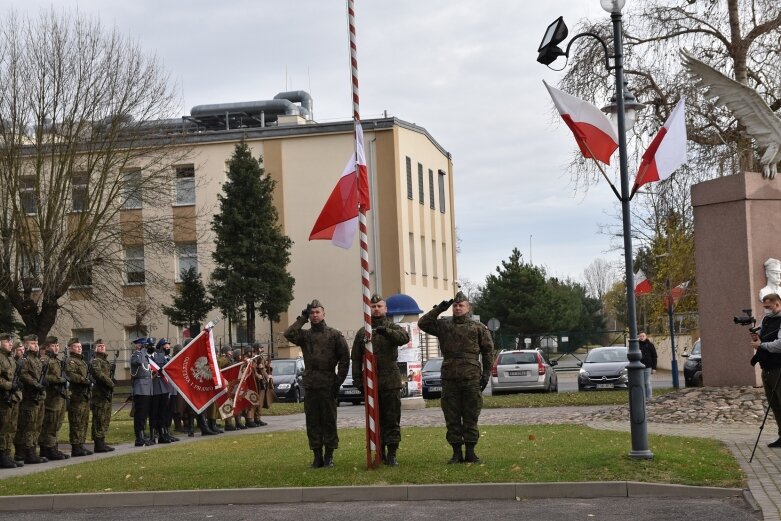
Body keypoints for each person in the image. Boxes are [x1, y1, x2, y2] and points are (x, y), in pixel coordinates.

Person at [418, 291, 494, 464]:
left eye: (461, 305)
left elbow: (488, 352)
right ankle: (456, 452)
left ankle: (471, 451)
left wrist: (486, 375)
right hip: (450, 378)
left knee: (470, 415)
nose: (457, 308)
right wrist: (439, 309)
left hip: (471, 377)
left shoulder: (478, 327)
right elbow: (423, 323)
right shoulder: (444, 325)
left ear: (468, 308)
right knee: (451, 417)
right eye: (455, 306)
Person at [284, 299, 349, 468]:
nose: (314, 315)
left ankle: (329, 456)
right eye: (312, 313)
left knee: (328, 420)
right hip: (311, 384)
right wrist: (302, 318)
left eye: (317, 312)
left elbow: (344, 359)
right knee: (312, 422)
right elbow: (289, 334)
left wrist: (338, 381)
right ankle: (317, 455)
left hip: (328, 383)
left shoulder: (334, 335)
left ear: (324, 314)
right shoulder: (305, 335)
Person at [351, 294, 410, 466]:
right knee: (375, 419)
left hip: (390, 380)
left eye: (379, 306)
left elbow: (404, 338)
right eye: (373, 306)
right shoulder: (363, 332)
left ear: (386, 309)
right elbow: (355, 358)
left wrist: (387, 332)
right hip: (371, 381)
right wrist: (357, 380)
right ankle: (379, 450)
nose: (376, 309)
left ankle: (392, 453)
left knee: (391, 418)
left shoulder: (393, 327)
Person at [751, 293, 781, 447]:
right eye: (764, 307)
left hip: (779, 367)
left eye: (769, 307)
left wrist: (761, 345)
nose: (767, 310)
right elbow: (762, 338)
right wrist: (756, 337)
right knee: (774, 404)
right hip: (767, 367)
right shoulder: (767, 320)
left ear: (777, 304)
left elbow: (779, 345)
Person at [14, 334, 48, 464]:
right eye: (33, 344)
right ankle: (28, 453)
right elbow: (23, 375)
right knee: (29, 426)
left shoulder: (37, 359)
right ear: (27, 345)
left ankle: (32, 450)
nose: (36, 346)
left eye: (36, 343)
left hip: (38, 397)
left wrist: (42, 382)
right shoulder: (25, 360)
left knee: (37, 425)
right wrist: (36, 384)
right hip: (29, 397)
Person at [38, 336, 70, 460]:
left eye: (57, 345)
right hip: (51, 397)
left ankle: (52, 448)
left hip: (59, 397)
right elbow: (44, 376)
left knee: (57, 423)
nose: (56, 348)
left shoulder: (56, 360)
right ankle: (48, 449)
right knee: (51, 424)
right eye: (53, 346)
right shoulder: (45, 360)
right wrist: (59, 380)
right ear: (47, 347)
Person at [65, 337, 93, 456]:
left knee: (84, 421)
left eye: (80, 346)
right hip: (76, 395)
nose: (80, 348)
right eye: (77, 347)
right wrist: (84, 380)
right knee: (76, 421)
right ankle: (76, 446)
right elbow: (72, 375)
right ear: (70, 348)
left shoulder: (82, 361)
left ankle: (81, 444)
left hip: (84, 395)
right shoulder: (70, 361)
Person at [0, 332, 22, 468]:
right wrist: (9, 385)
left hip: (12, 397)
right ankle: (2, 455)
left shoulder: (11, 359)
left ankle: (7, 454)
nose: (10, 343)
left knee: (11, 427)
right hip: (3, 397)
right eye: (7, 341)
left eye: (11, 341)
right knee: (3, 427)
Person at [89, 339, 115, 453]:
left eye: (103, 345)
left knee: (105, 418)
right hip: (99, 394)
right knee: (99, 418)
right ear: (95, 349)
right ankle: (98, 443)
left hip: (106, 393)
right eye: (99, 346)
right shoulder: (96, 361)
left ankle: (102, 441)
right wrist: (110, 382)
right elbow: (99, 375)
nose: (102, 347)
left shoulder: (105, 361)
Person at [130, 337, 154, 446]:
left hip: (148, 387)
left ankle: (143, 434)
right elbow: (138, 362)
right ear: (139, 345)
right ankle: (139, 437)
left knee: (145, 413)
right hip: (140, 387)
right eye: (144, 345)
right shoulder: (136, 355)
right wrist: (143, 351)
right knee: (140, 413)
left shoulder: (146, 355)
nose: (146, 347)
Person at [638, 331, 657, 400]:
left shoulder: (650, 345)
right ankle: (642, 397)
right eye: (640, 336)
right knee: (640, 383)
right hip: (639, 367)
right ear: (638, 337)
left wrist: (654, 367)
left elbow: (654, 356)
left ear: (646, 336)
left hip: (648, 366)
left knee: (647, 382)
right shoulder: (636, 345)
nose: (642, 337)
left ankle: (649, 397)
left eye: (643, 336)